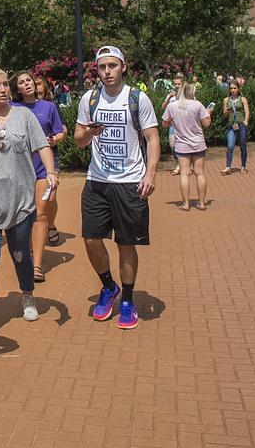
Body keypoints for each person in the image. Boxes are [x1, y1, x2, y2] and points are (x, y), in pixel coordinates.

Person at [74, 45, 160, 331]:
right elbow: (78, 140)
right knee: (90, 239)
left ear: (123, 67)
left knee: (126, 244)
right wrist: (88, 132)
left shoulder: (137, 99)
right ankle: (108, 287)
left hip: (129, 182)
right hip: (97, 181)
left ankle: (128, 300)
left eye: (112, 66)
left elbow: (152, 137)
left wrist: (150, 173)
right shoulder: (90, 98)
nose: (107, 72)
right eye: (102, 67)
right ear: (96, 70)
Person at [0, 62, 56, 342]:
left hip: (20, 199)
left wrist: (51, 173)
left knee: (20, 255)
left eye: (6, 84)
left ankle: (27, 296)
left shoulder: (24, 116)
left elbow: (42, 145)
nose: (4, 89)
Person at [10, 70, 67, 282]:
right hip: (20, 168)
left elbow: (60, 131)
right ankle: (27, 246)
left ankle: (37, 266)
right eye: (22, 82)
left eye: (29, 80)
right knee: (23, 213)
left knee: (41, 211)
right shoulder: (13, 109)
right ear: (16, 89)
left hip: (43, 166)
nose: (27, 84)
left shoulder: (48, 107)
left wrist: (53, 140)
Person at [162, 82, 213, 211]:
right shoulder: (198, 105)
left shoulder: (172, 106)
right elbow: (206, 123)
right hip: (198, 143)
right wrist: (209, 113)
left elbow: (164, 124)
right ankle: (201, 203)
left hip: (182, 144)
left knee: (184, 174)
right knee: (200, 173)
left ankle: (186, 203)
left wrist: (174, 122)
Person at [221, 81, 249, 174]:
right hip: (231, 125)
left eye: (234, 88)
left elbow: (247, 111)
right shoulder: (226, 100)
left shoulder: (243, 99)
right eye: (231, 88)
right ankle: (228, 166)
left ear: (238, 89)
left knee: (242, 146)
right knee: (230, 146)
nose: (233, 90)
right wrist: (226, 112)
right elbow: (224, 116)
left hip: (241, 125)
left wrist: (246, 120)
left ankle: (243, 166)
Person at [161, 74, 184, 175]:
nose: (177, 85)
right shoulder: (171, 95)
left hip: (183, 125)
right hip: (172, 125)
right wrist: (169, 96)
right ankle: (179, 163)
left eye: (179, 84)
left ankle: (181, 166)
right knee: (172, 145)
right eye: (175, 84)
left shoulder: (187, 95)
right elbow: (163, 107)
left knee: (183, 146)